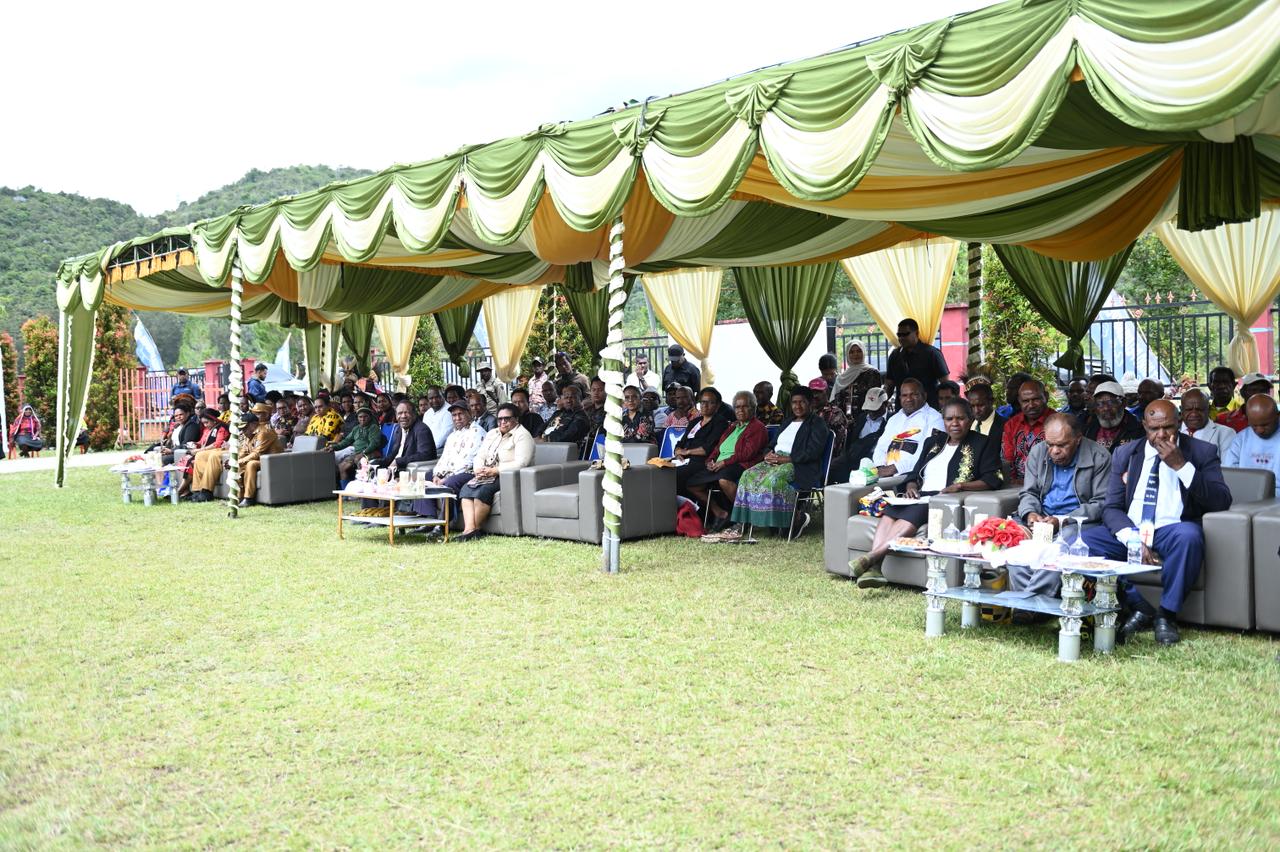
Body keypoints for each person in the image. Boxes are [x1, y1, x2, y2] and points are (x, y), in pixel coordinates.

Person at [1079, 400, 1231, 645]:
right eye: (1154, 429)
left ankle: (1166, 615)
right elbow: (1112, 507)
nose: (1161, 435)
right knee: (1084, 542)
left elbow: (1221, 501)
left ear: (1179, 423)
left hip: (1172, 529)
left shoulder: (1202, 451)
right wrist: (1131, 538)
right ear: (1144, 426)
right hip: (1134, 529)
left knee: (1189, 537)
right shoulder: (1126, 453)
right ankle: (1137, 605)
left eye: (1168, 427)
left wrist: (1181, 465)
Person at [851, 398, 1002, 589]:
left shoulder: (982, 443)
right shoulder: (934, 441)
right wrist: (911, 486)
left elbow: (993, 479)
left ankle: (871, 558)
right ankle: (875, 568)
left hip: (941, 498)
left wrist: (961, 486)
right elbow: (914, 473)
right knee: (890, 510)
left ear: (970, 419)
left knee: (916, 511)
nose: (954, 423)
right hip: (918, 495)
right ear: (943, 421)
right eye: (949, 419)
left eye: (960, 418)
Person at [1011, 413, 1111, 598]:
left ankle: (1029, 601)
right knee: (1014, 537)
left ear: (1078, 439)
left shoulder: (1099, 456)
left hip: (1076, 521)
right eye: (1050, 444)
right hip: (1041, 517)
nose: (1054, 451)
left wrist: (1062, 520)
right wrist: (1030, 513)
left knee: (1065, 542)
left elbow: (1101, 503)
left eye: (1062, 445)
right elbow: (1029, 492)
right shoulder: (1038, 451)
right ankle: (1027, 599)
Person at [711, 387, 831, 541]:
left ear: (810, 403)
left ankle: (795, 519)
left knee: (772, 480)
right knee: (747, 476)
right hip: (775, 460)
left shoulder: (817, 424)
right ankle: (743, 522)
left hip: (798, 464)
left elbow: (813, 452)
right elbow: (771, 444)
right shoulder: (787, 421)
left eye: (802, 402)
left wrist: (786, 459)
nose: (798, 406)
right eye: (794, 402)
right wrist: (767, 454)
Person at [690, 390, 768, 532]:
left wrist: (723, 463)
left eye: (745, 406)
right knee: (692, 484)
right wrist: (710, 460)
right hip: (720, 465)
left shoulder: (757, 427)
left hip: (742, 465)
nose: (740, 410)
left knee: (724, 480)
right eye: (737, 407)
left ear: (753, 408)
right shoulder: (732, 426)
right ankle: (720, 512)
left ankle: (746, 516)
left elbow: (746, 454)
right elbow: (718, 448)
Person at [455, 404, 535, 541]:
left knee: (482, 491)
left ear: (516, 419)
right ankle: (469, 529)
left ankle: (476, 529)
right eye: (499, 419)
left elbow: (522, 463)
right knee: (466, 489)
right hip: (487, 472)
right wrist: (478, 470)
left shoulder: (523, 435)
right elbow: (480, 455)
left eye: (507, 419)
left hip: (507, 475)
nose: (502, 422)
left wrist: (495, 470)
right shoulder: (493, 433)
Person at [411, 401, 487, 524]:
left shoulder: (478, 432)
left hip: (470, 473)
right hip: (450, 472)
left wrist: (446, 478)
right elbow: (444, 458)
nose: (457, 418)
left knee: (451, 482)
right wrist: (437, 474)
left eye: (460, 414)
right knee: (425, 477)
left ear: (470, 413)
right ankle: (427, 519)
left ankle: (443, 523)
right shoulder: (453, 435)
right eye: (454, 415)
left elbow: (468, 461)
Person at [190, 411, 283, 506]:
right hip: (259, 460)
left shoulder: (263, 432)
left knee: (250, 464)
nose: (242, 431)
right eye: (241, 428)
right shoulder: (249, 433)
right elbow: (244, 451)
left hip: (272, 461)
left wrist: (238, 462)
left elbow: (256, 453)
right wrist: (233, 461)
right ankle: (238, 498)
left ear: (254, 424)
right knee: (237, 467)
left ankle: (248, 498)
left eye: (245, 428)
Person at [871, 378, 944, 478]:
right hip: (885, 477)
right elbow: (881, 447)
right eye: (904, 395)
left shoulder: (934, 418)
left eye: (914, 394)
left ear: (924, 396)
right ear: (900, 398)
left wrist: (896, 468)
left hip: (914, 477)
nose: (909, 399)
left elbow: (928, 453)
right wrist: (880, 466)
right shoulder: (894, 419)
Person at [671, 388, 730, 498]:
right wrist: (678, 451)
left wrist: (687, 451)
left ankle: (685, 509)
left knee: (674, 475)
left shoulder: (720, 423)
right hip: (683, 460)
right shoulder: (695, 422)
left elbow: (708, 448)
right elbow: (681, 442)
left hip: (701, 462)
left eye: (710, 402)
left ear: (717, 405)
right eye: (703, 402)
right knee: (658, 470)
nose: (705, 405)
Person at [831, 387, 891, 483]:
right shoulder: (861, 418)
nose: (871, 411)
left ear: (886, 404)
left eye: (875, 408)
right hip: (854, 457)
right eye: (869, 408)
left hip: (876, 461)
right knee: (831, 468)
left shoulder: (892, 420)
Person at [885, 318, 949, 408]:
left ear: (917, 333)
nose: (901, 338)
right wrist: (882, 401)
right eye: (899, 335)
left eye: (905, 334)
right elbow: (889, 384)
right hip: (902, 411)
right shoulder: (895, 355)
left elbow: (945, 384)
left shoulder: (932, 353)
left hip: (928, 408)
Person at [1224, 394, 1280, 496]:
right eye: (1254, 426)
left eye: (1265, 425)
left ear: (1277, 416)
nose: (1260, 430)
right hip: (1246, 495)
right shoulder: (1240, 439)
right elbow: (1230, 473)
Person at [1001, 380, 1050, 485]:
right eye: (1025, 401)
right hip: (1016, 485)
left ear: (1046, 397)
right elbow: (1008, 459)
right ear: (1019, 401)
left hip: (1048, 484)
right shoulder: (1012, 424)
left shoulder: (1058, 423)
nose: (1031, 405)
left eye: (1036, 399)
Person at [370, 401, 437, 475]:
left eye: (406, 412)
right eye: (400, 413)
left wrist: (398, 461)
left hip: (406, 472)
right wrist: (376, 463)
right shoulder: (399, 428)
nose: (403, 416)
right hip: (395, 469)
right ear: (396, 415)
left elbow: (426, 454)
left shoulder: (421, 429)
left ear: (414, 414)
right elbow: (394, 454)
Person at [176, 408, 230, 496]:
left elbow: (218, 444)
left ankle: (182, 491)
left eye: (207, 422)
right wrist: (195, 444)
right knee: (186, 460)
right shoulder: (207, 430)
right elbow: (202, 442)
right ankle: (189, 490)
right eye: (203, 423)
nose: (205, 425)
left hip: (213, 454)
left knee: (191, 463)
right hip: (203, 453)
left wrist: (199, 450)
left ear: (214, 420)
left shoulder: (222, 428)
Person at [1084, 380, 1146, 453]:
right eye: (1100, 403)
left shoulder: (1138, 429)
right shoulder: (1088, 427)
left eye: (1111, 402)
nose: (1106, 408)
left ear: (1124, 403)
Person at [330, 405, 384, 482]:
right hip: (358, 454)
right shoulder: (356, 429)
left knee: (360, 462)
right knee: (342, 467)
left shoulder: (373, 427)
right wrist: (333, 447)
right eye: (360, 417)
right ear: (357, 418)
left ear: (370, 417)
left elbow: (374, 443)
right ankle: (346, 493)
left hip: (372, 453)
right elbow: (346, 441)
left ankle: (361, 489)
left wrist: (363, 453)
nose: (362, 419)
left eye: (365, 416)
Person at [1178, 388, 1235, 458]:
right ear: (1181, 410)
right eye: (1189, 410)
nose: (1194, 414)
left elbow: (1227, 467)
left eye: (1199, 409)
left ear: (1209, 409)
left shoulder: (1225, 433)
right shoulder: (1172, 432)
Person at [809, 377, 848, 460]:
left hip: (829, 460)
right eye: (812, 392)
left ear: (826, 392)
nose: (815, 395)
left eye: (819, 392)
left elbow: (834, 445)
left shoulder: (835, 413)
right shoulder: (806, 412)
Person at [830, 340, 874, 408]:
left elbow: (874, 398)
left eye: (859, 351)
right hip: (843, 416)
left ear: (864, 352)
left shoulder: (872, 372)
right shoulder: (842, 377)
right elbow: (835, 400)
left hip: (865, 416)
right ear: (847, 354)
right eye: (851, 352)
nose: (855, 354)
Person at [966, 380, 1005, 449]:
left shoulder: (1005, 426)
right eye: (972, 406)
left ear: (992, 402)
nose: (976, 411)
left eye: (980, 405)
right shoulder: (967, 423)